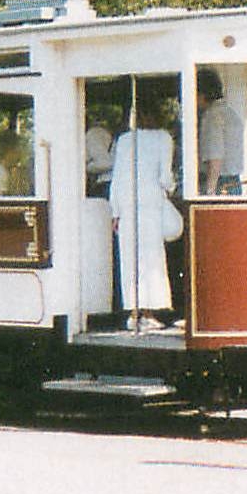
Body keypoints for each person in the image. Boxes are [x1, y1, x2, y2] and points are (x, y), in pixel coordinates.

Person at [108, 98, 181, 329]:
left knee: (130, 259)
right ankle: (149, 313)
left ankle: (134, 313)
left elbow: (117, 178)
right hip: (150, 205)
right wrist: (173, 188)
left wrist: (115, 212)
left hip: (127, 205)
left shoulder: (124, 140)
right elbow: (165, 178)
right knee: (152, 259)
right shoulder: (163, 138)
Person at [195, 70, 244, 195]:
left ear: (201, 94)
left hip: (220, 184)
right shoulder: (231, 114)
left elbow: (215, 157)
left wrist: (210, 192)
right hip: (235, 183)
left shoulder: (211, 117)